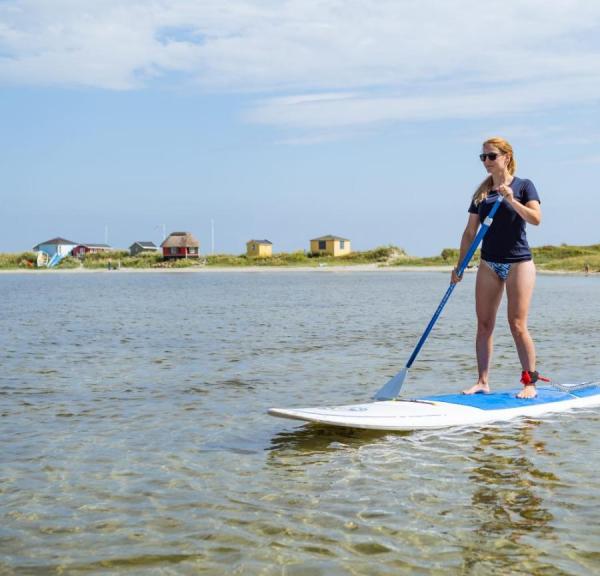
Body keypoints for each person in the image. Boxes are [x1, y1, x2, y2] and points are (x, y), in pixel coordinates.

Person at [451, 137, 548, 399]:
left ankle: (530, 383)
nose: (486, 161)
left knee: (517, 324)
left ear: (506, 157)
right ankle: (482, 381)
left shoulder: (524, 186)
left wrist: (512, 200)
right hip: (489, 263)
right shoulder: (481, 193)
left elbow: (536, 219)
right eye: (483, 157)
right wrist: (459, 266)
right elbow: (470, 232)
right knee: (484, 325)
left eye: (491, 156)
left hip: (519, 262)